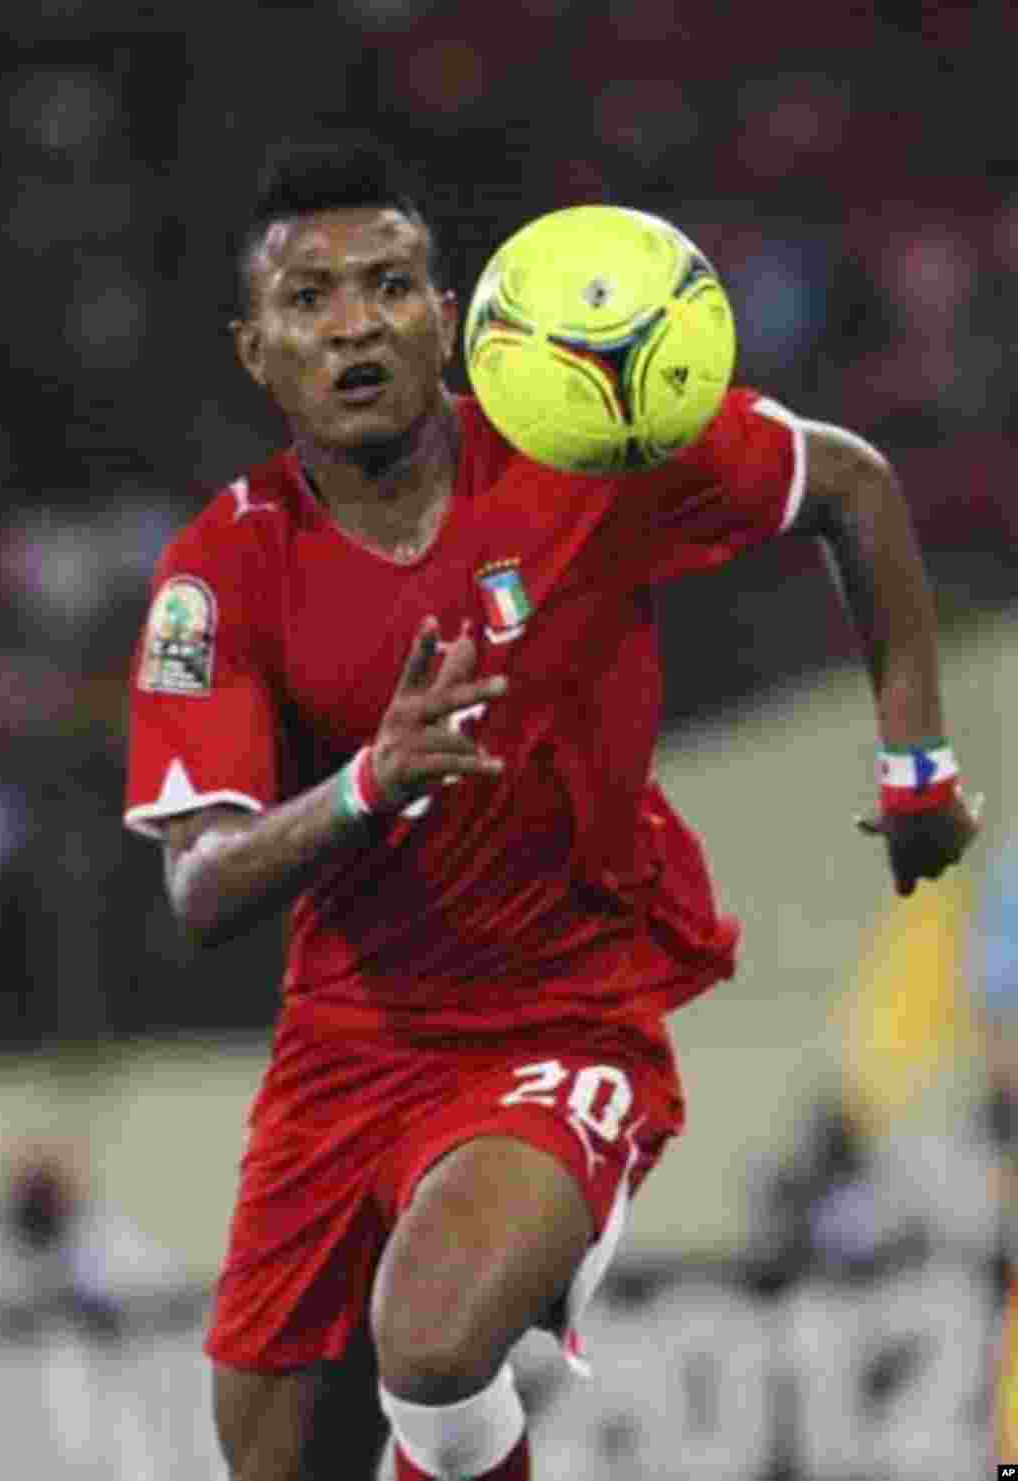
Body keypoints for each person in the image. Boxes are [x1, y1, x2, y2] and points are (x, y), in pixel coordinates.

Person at [123, 134, 980, 1481]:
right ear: (255, 349)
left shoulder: (584, 445)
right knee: (277, 1458)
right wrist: (363, 784)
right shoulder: (221, 571)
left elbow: (855, 490)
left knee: (435, 1338)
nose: (355, 325)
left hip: (567, 1006)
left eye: (391, 285)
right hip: (345, 1045)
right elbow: (200, 885)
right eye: (310, 299)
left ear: (449, 317)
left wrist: (917, 765)